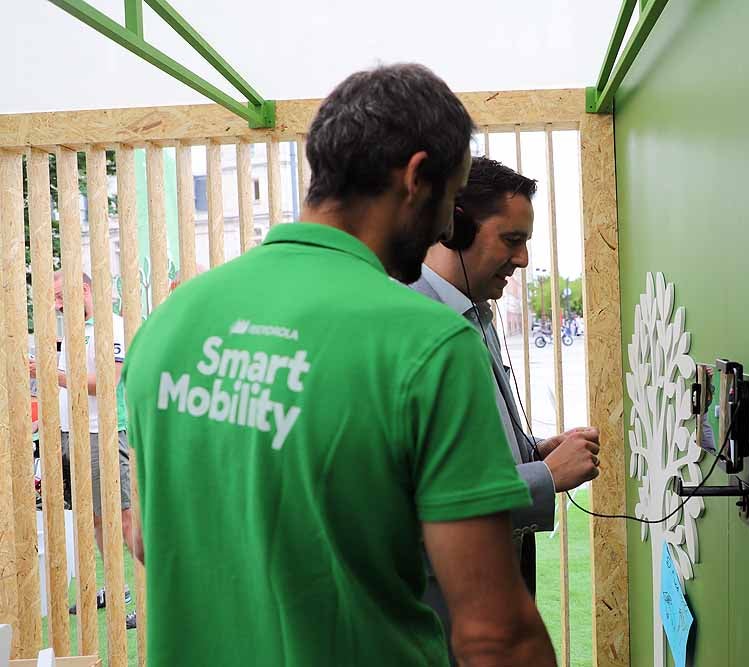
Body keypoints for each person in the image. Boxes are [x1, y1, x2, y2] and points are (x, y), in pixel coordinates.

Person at [121, 64, 556, 667]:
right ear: (416, 177)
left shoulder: (169, 324)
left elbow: (145, 536)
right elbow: (495, 636)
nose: (446, 227)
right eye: (452, 200)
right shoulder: (429, 344)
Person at [411, 157, 600, 657]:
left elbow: (463, 452)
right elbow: (424, 500)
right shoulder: (410, 330)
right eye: (511, 240)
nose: (522, 260)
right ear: (453, 228)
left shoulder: (477, 315)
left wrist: (533, 452)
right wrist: (545, 478)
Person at [33, 271, 138, 628]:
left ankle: (148, 595)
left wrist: (51, 373)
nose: (58, 306)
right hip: (72, 434)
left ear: (85, 290)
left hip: (103, 434)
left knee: (122, 519)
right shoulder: (75, 333)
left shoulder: (113, 326)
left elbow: (107, 382)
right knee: (94, 518)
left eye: (61, 297)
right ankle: (116, 587)